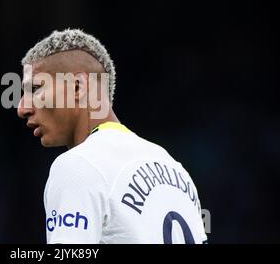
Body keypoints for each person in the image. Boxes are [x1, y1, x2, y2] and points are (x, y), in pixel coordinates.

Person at [17, 29, 207, 244]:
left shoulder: (77, 165)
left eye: (35, 88)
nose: (22, 107)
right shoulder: (175, 169)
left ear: (77, 87)